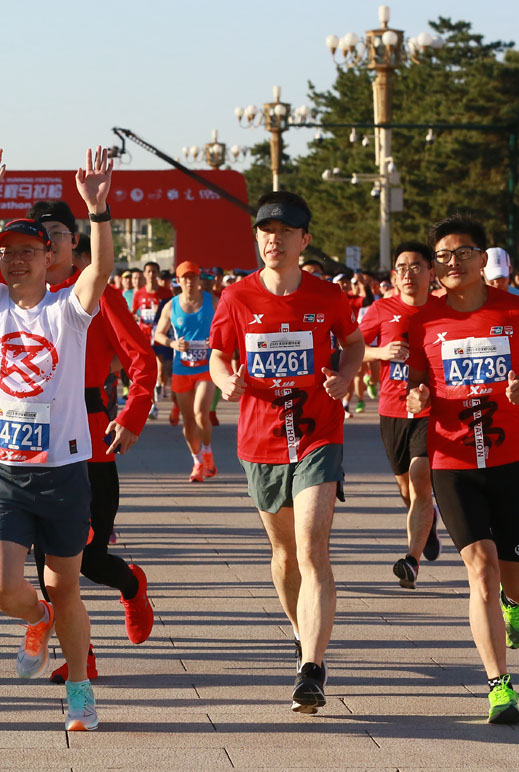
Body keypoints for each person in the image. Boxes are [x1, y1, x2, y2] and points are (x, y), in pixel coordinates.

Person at [0, 143, 115, 731]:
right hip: (4, 476)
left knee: (67, 588)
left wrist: (97, 210)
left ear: (49, 259)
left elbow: (102, 271)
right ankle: (33, 618)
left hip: (65, 476)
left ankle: (81, 692)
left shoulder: (69, 310)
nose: (16, 260)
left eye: (28, 252)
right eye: (7, 252)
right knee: (0, 588)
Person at [0, 172, 158, 685]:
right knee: (34, 572)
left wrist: (133, 415)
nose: (44, 248)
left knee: (87, 560)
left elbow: (142, 361)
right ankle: (81, 662)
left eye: (55, 238)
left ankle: (131, 585)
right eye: (37, 240)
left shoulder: (90, 297)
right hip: (18, 457)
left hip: (90, 438)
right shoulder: (9, 299)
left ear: (73, 244)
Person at [209, 190, 363, 715]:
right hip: (260, 439)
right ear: (258, 238)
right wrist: (225, 378)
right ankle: (303, 636)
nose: (273, 239)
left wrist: (345, 374)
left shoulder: (327, 296)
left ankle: (311, 670)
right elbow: (217, 356)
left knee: (312, 547)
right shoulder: (236, 298)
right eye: (265, 231)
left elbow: (355, 342)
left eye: (284, 231)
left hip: (319, 433)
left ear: (304, 240)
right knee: (283, 555)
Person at [404, 214, 519, 724]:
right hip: (453, 463)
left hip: (512, 460)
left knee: (517, 585)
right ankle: (500, 686)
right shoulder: (423, 320)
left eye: (462, 253)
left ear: (482, 256)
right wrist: (418, 396)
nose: (452, 263)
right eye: (443, 257)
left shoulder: (517, 310)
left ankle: (513, 605)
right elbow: (411, 387)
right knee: (481, 568)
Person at [358, 242, 442, 589]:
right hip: (391, 410)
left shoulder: (445, 310)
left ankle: (412, 560)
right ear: (395, 275)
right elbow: (352, 349)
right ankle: (428, 523)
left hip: (432, 409)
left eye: (416, 266)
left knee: (421, 475)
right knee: (406, 487)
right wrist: (380, 351)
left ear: (430, 273)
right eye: (402, 268)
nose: (408, 273)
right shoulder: (380, 309)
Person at [153, 261, 217, 482]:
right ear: (178, 281)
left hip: (207, 367)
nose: (189, 282)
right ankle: (198, 461)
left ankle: (207, 451)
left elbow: (227, 327)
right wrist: (172, 344)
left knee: (201, 412)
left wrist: (215, 340)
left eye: (193, 277)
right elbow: (158, 334)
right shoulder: (171, 305)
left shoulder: (213, 302)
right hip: (182, 369)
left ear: (200, 280)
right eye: (185, 278)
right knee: (188, 420)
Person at [133, 261, 173, 418]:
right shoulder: (139, 293)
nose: (151, 274)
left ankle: (160, 385)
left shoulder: (166, 293)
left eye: (154, 271)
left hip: (160, 334)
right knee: (149, 366)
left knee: (162, 367)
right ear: (145, 274)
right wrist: (136, 317)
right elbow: (134, 311)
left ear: (158, 273)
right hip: (144, 335)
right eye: (148, 271)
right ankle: (152, 403)